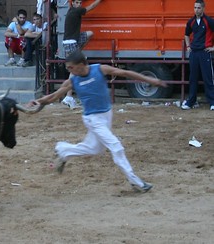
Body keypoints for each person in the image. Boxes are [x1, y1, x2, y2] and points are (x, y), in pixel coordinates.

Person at [27, 50, 167, 192]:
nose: (68, 70)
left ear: (81, 64)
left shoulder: (99, 69)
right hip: (93, 119)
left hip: (106, 114)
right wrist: (37, 101)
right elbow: (53, 96)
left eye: (71, 67)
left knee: (94, 149)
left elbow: (124, 73)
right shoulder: (72, 81)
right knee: (116, 146)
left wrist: (149, 79)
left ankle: (63, 150)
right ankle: (136, 181)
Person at [61, 0, 102, 109]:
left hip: (74, 40)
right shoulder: (76, 11)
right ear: (73, 3)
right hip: (70, 43)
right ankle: (68, 96)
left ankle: (69, 96)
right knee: (75, 70)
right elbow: (91, 6)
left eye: (80, 2)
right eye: (77, 2)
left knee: (89, 34)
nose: (79, 4)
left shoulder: (71, 10)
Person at [183, 0, 214, 111]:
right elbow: (186, 34)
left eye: (199, 8)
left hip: (205, 53)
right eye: (195, 7)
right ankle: (191, 102)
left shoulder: (209, 21)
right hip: (194, 53)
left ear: (203, 9)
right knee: (193, 78)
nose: (196, 10)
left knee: (208, 78)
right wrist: (188, 47)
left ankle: (212, 102)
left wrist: (213, 48)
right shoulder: (191, 22)